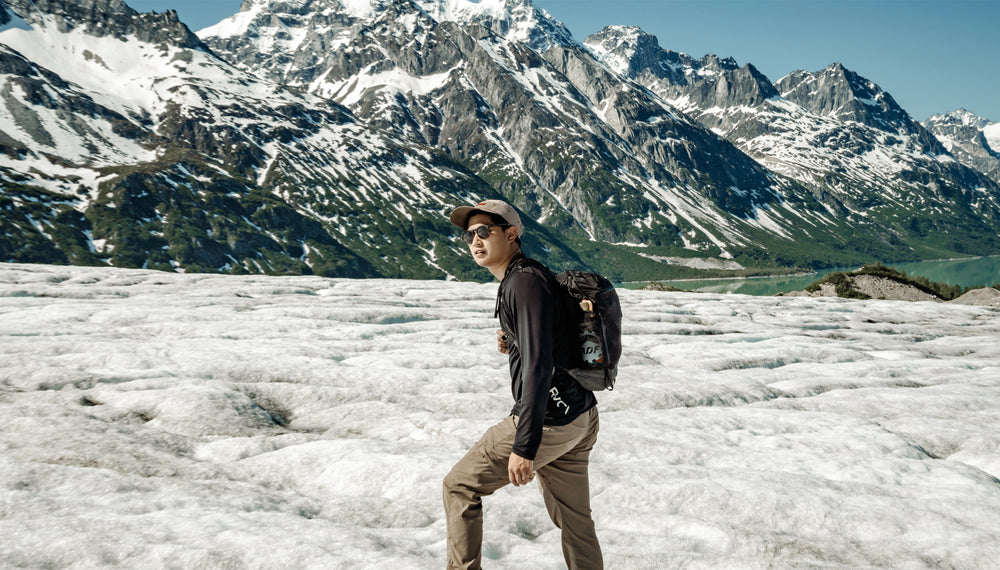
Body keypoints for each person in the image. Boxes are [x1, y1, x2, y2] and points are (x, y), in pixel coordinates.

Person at [442, 199, 603, 570]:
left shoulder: (523, 283)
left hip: (549, 420)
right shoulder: (527, 277)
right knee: (576, 523)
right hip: (580, 415)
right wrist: (512, 341)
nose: (475, 241)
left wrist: (524, 444)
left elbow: (537, 365)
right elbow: (544, 342)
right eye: (469, 235)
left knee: (459, 486)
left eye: (484, 231)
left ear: (511, 234)